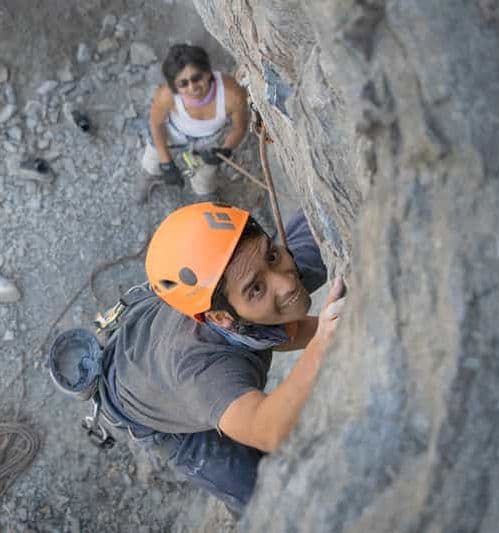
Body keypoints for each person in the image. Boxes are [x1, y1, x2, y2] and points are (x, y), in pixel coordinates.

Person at [96, 202, 346, 515]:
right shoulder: (201, 371)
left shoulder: (251, 284)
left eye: (272, 254)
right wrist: (323, 344)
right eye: (256, 288)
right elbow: (267, 429)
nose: (286, 281)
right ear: (220, 317)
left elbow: (285, 330)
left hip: (175, 330)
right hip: (161, 412)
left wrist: (342, 327)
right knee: (269, 504)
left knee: (300, 266)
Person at [136, 44, 250, 204]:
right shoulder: (166, 95)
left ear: (208, 72)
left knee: (205, 175)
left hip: (209, 141)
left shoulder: (232, 94)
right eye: (183, 84)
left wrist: (225, 150)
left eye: (197, 78)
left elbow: (240, 127)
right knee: (153, 158)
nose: (193, 87)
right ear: (174, 86)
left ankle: (205, 193)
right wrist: (166, 162)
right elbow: (156, 125)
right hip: (172, 134)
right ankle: (151, 174)